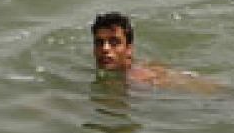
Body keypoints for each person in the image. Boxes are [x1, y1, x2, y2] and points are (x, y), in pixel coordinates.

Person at [90, 12, 219, 91]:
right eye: (99, 43)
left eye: (114, 42)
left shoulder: (143, 79)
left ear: (129, 49)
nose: (105, 49)